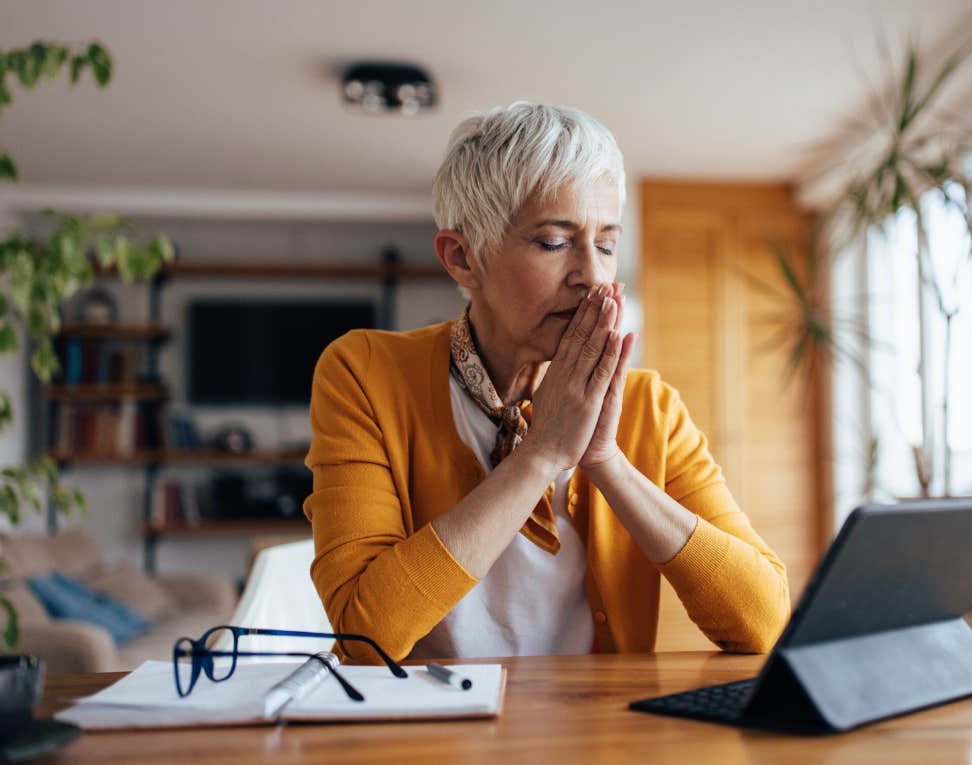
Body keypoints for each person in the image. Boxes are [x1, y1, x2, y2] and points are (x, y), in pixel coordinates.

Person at [304, 102, 789, 663]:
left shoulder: (649, 407)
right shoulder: (364, 374)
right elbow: (365, 636)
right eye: (555, 243)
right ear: (463, 259)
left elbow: (764, 623)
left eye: (606, 245)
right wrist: (539, 456)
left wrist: (604, 460)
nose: (592, 275)